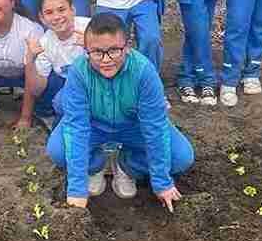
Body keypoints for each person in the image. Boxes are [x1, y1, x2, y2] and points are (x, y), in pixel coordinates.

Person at [46, 13, 194, 207]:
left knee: (181, 157)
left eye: (114, 50)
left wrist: (161, 182)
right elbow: (77, 128)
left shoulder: (143, 71)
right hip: (94, 127)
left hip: (134, 127)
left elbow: (154, 127)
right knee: (57, 150)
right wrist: (77, 189)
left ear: (128, 47)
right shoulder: (79, 71)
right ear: (86, 50)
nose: (106, 60)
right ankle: (96, 165)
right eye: (97, 52)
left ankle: (127, 165)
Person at [25, 0, 89, 124]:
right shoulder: (44, 42)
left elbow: (117, 61)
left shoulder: (91, 28)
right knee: (56, 94)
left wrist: (93, 47)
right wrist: (30, 59)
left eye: (61, 10)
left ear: (73, 10)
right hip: (68, 81)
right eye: (49, 12)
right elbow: (37, 90)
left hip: (97, 80)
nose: (56, 17)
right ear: (42, 18)